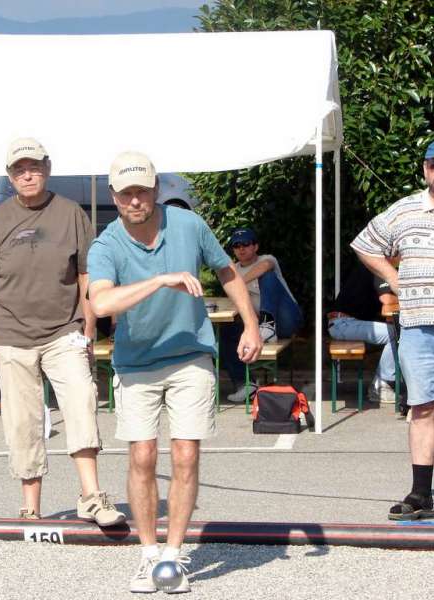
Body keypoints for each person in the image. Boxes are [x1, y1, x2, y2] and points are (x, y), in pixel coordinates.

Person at [88, 151, 262, 594]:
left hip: (189, 356)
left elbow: (227, 271)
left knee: (185, 454)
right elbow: (101, 304)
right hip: (136, 362)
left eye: (142, 190)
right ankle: (148, 555)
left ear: (156, 189)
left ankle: (174, 553)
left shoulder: (188, 225)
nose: (134, 200)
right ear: (114, 195)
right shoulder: (106, 243)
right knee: (142, 456)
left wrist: (250, 323)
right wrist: (161, 280)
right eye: (125, 193)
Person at [0, 137, 124, 526]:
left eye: (34, 167)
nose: (27, 174)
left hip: (64, 331)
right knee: (22, 421)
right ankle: (31, 506)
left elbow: (88, 274)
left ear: (48, 168)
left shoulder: (71, 214)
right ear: (10, 176)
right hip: (9, 335)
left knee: (82, 403)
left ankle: (91, 496)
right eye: (19, 169)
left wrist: (89, 328)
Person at [352, 136, 434, 521]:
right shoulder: (403, 210)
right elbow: (365, 244)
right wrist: (394, 279)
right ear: (425, 169)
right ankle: (421, 495)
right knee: (422, 408)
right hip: (417, 326)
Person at [220, 227, 302, 402]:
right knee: (226, 330)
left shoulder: (267, 259)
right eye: (236, 245)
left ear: (255, 246)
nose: (241, 249)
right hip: (259, 325)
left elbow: (265, 267)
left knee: (268, 277)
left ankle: (268, 325)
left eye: (246, 244)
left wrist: (237, 282)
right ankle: (245, 384)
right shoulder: (232, 269)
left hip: (288, 318)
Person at [328, 260, 398, 404]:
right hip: (344, 324)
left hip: (343, 323)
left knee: (395, 331)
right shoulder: (378, 266)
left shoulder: (369, 265)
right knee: (395, 334)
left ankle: (385, 382)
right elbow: (387, 300)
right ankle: (381, 386)